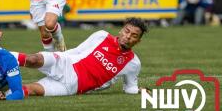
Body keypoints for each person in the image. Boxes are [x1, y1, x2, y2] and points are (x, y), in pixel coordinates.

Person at [11, 17, 149, 97]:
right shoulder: (102, 35)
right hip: (66, 64)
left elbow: (129, 87)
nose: (128, 36)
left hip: (73, 87)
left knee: (30, 90)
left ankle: (0, 95)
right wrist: (57, 56)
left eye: (134, 35)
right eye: (127, 31)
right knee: (32, 60)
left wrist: (139, 90)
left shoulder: (133, 63)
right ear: (121, 30)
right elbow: (77, 51)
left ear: (138, 41)